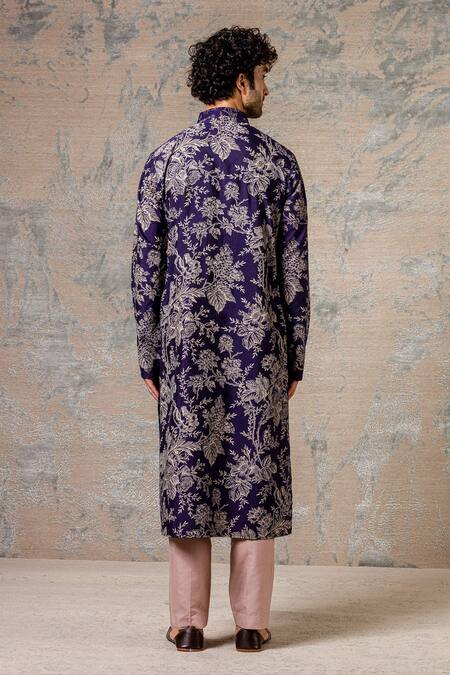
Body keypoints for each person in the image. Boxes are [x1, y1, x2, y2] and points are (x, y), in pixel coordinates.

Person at [131, 25, 310, 652]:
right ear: (241, 81)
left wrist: (149, 354)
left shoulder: (165, 160)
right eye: (263, 78)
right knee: (252, 468)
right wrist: (296, 355)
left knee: (188, 468)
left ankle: (187, 624)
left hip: (183, 346)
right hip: (258, 346)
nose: (267, 90)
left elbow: (146, 270)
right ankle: (252, 625)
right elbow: (294, 272)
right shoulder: (278, 162)